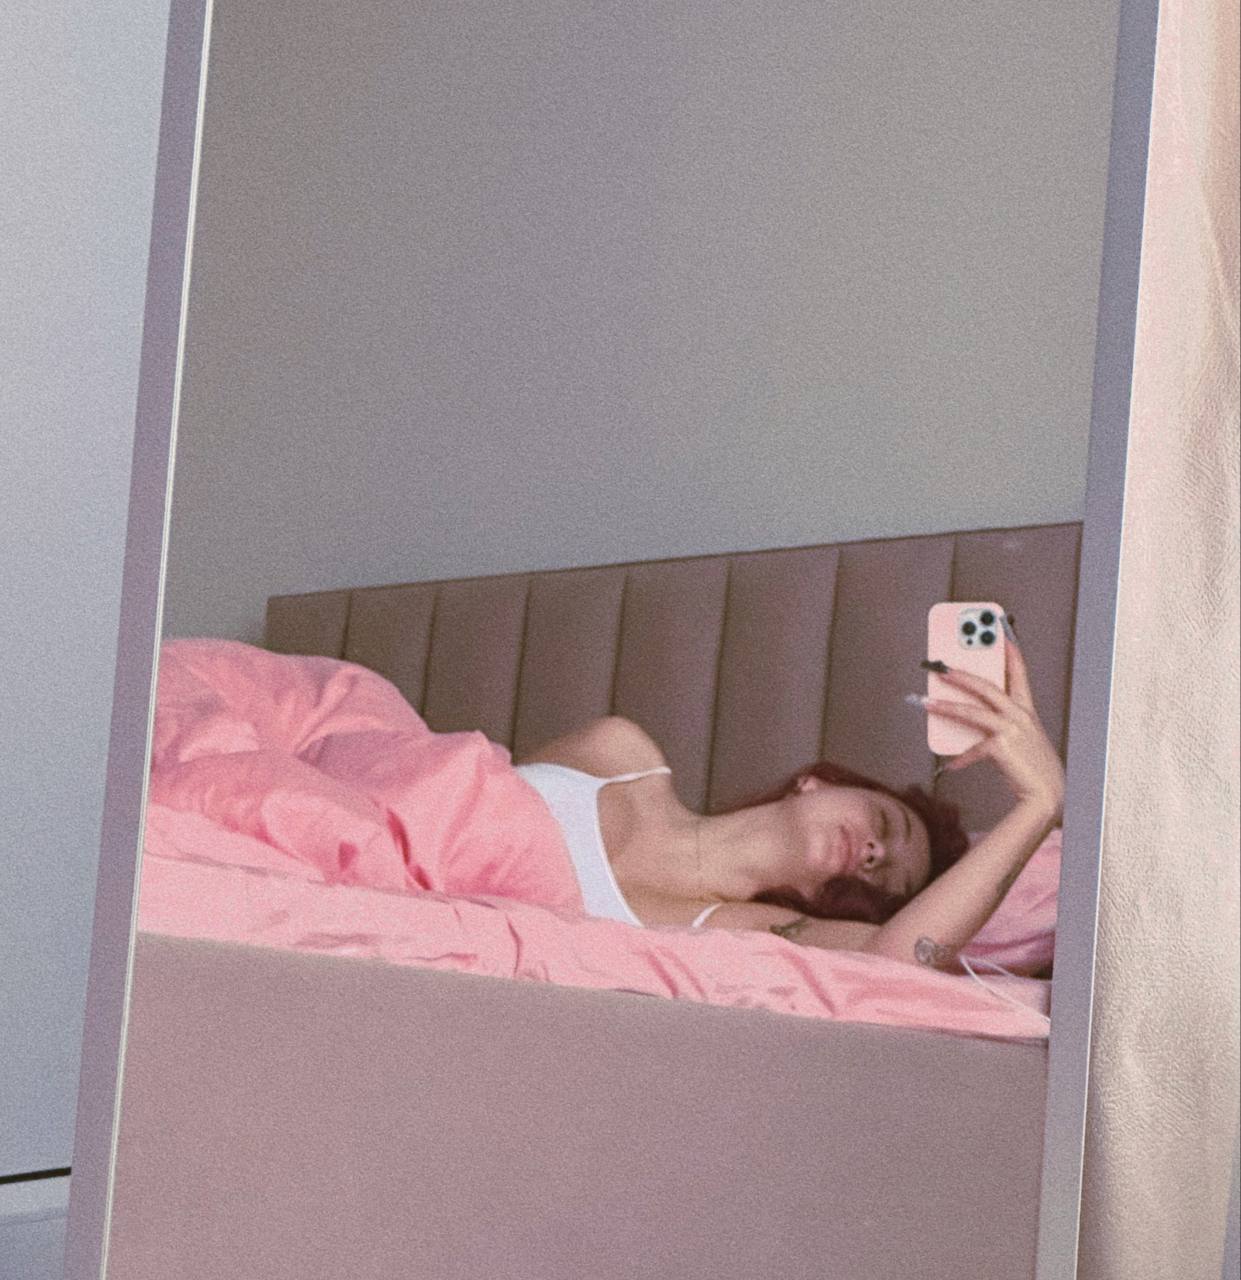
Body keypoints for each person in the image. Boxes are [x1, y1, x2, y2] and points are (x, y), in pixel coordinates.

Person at [514, 631, 1064, 972]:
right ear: (817, 782)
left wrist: (1040, 804)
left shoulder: (747, 933)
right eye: (883, 823)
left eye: (884, 882)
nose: (875, 853)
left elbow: (896, 958)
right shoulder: (619, 752)